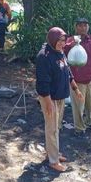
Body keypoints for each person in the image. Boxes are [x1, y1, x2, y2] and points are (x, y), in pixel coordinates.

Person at [36, 27, 83, 172]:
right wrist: (48, 102)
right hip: (49, 98)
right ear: (52, 39)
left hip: (60, 96)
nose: (62, 44)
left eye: (64, 41)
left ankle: (52, 152)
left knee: (56, 127)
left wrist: (76, 89)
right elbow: (43, 82)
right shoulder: (44, 56)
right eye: (60, 41)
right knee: (52, 129)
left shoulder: (60, 53)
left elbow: (68, 72)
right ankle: (53, 161)